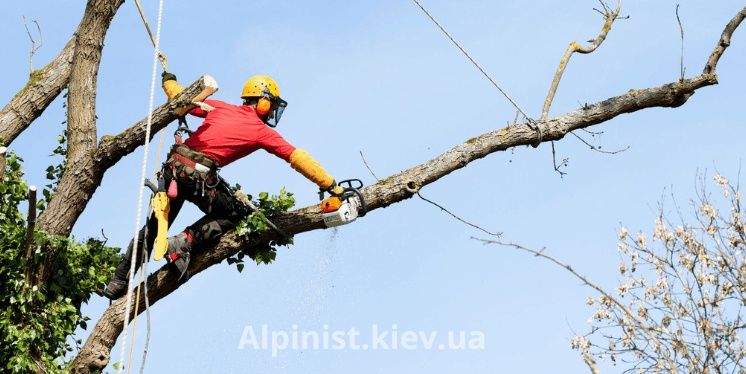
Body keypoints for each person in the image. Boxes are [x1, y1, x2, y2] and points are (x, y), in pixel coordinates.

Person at [100, 73, 344, 299]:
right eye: (271, 107)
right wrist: (331, 184)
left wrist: (169, 81)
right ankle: (181, 243)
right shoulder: (261, 131)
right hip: (197, 178)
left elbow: (180, 96)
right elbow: (296, 157)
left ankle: (118, 281)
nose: (270, 115)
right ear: (264, 102)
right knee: (234, 214)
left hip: (173, 170)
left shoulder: (220, 107)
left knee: (154, 228)